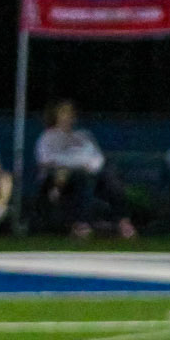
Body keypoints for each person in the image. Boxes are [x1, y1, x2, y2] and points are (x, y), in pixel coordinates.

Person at [33, 100, 134, 238]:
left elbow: (97, 157)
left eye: (70, 113)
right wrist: (76, 165)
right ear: (55, 115)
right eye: (64, 112)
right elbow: (46, 160)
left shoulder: (83, 135)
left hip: (92, 173)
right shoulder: (48, 137)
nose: (68, 116)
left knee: (110, 176)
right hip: (61, 177)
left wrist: (91, 167)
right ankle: (80, 223)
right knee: (80, 176)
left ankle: (123, 222)